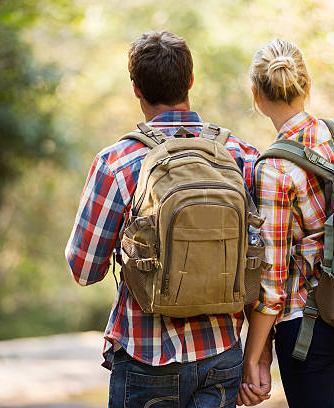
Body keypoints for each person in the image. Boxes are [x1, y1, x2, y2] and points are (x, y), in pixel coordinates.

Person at [65, 31, 260, 408]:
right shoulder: (239, 155)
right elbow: (260, 260)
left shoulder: (117, 163)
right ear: (191, 80)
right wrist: (259, 356)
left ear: (135, 88)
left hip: (145, 357)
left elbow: (84, 269)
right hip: (220, 353)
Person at [238, 39, 334, 407]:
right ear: (306, 85)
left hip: (308, 327)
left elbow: (273, 279)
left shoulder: (273, 168)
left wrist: (253, 357)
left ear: (256, 95)